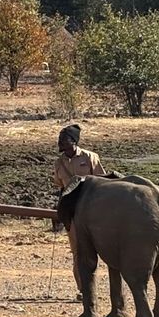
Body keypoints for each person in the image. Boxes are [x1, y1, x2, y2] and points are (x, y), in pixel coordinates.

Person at [53, 124, 106, 297]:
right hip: (72, 211)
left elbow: (102, 182)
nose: (60, 142)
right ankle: (84, 291)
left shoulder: (90, 157)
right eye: (60, 139)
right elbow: (60, 187)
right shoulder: (59, 163)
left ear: (74, 141)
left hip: (93, 211)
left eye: (64, 139)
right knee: (78, 252)